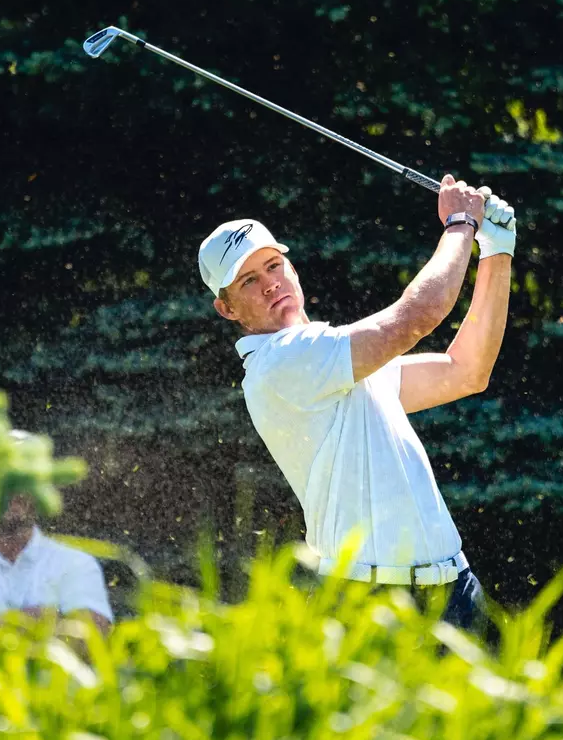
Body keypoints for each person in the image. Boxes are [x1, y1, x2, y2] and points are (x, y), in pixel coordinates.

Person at [197, 175, 516, 629]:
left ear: (291, 268)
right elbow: (416, 318)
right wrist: (462, 223)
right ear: (227, 309)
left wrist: (497, 253)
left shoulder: (335, 358)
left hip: (455, 590)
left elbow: (466, 371)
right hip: (373, 602)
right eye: (248, 280)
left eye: (273, 266)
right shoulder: (282, 363)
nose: (270, 284)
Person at [0, 494, 113, 633]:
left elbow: (91, 638)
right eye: (3, 477)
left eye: (22, 478)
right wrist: (49, 618)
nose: (13, 490)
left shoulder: (75, 563)